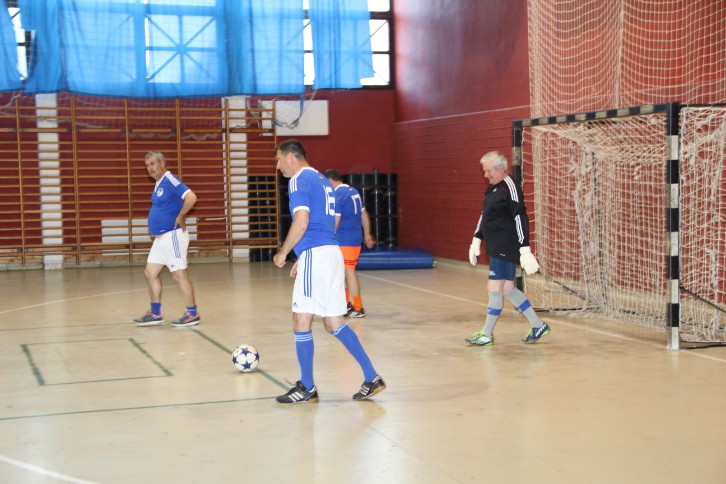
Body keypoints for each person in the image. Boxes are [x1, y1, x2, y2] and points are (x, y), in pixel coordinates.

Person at [273, 139, 385, 403]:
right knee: (334, 322)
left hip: (318, 255)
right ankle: (371, 376)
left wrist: (284, 252)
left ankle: (307, 387)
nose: (278, 166)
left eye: (278, 160)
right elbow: (331, 221)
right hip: (331, 253)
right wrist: (305, 254)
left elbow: (302, 221)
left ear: (291, 157)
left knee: (301, 319)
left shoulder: (298, 180)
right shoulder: (323, 181)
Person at [465, 151, 550, 345]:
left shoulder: (509, 187)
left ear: (500, 169)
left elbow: (520, 217)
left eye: (488, 171)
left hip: (505, 246)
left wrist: (524, 249)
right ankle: (538, 325)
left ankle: (486, 334)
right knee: (508, 289)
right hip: (495, 245)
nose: (485, 175)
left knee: (494, 288)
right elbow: (485, 214)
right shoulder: (493, 188)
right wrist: (476, 238)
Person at [133, 151, 201, 327]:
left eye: (153, 163)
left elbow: (191, 197)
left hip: (173, 235)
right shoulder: (159, 184)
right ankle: (155, 313)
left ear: (162, 163)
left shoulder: (170, 180)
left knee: (179, 275)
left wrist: (181, 215)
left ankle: (192, 313)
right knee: (150, 272)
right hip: (160, 238)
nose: (150, 168)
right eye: (147, 165)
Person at [324, 169, 376, 318]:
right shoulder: (353, 191)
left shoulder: (338, 194)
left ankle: (358, 308)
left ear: (330, 181)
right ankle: (347, 305)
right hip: (353, 238)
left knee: (348, 271)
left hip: (344, 239)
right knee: (343, 272)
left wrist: (329, 236)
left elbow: (337, 219)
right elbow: (364, 214)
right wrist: (367, 235)